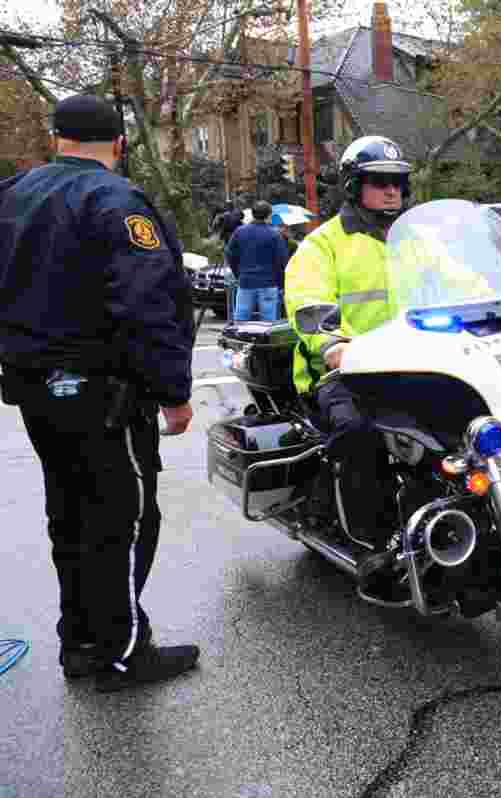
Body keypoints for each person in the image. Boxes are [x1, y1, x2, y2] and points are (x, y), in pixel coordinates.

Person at [0, 94, 198, 691]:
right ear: (118, 143)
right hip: (104, 390)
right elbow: (147, 303)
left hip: (36, 389)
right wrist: (173, 392)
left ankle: (81, 642)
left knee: (70, 515)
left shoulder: (13, 194)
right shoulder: (115, 200)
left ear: (56, 137)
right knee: (123, 520)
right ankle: (124, 652)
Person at [284, 135, 413, 590]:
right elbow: (308, 302)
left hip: (417, 364)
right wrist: (333, 343)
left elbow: (468, 281)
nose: (391, 191)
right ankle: (373, 544)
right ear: (354, 186)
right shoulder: (322, 245)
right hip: (344, 371)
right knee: (361, 435)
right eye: (379, 182)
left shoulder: (414, 240)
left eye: (398, 182)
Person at [225, 200, 290, 321]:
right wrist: (281, 284)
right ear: (269, 215)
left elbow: (229, 254)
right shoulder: (275, 235)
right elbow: (282, 261)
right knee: (268, 322)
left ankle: (241, 339)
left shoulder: (240, 232)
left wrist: (238, 274)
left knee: (241, 320)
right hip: (269, 283)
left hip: (246, 282)